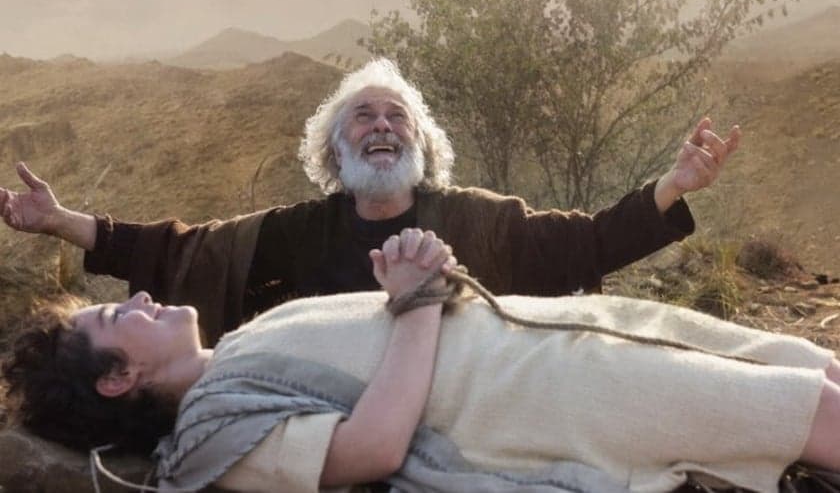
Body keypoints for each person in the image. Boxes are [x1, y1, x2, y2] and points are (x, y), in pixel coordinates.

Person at [4, 229, 840, 493]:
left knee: (811, 370)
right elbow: (371, 448)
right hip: (558, 397)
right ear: (119, 377)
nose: (142, 300)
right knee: (810, 417)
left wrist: (411, 276)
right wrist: (412, 301)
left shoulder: (243, 347)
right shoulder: (213, 436)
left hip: (569, 332)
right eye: (123, 315)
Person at [0, 59, 741, 344]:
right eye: (364, 116)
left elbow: (586, 242)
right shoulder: (289, 233)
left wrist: (673, 186)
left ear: (421, 145)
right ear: (334, 151)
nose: (381, 125)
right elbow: (181, 251)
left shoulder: (477, 219)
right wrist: (63, 222)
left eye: (397, 117)